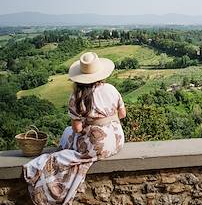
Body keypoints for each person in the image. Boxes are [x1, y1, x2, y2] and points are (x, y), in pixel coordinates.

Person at [23, 52, 126, 204]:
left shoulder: (76, 97)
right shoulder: (111, 89)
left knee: (67, 132)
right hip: (117, 141)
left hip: (97, 147)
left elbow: (77, 129)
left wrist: (90, 123)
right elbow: (122, 114)